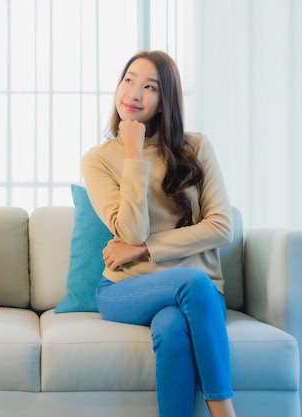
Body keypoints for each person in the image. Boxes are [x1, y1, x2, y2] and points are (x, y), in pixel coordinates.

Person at [81, 50, 237, 417]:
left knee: (171, 325)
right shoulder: (98, 159)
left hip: (200, 292)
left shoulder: (196, 147)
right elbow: (130, 230)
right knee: (192, 283)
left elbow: (221, 226)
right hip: (125, 290)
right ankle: (225, 413)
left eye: (149, 87)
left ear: (165, 101)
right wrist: (133, 152)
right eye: (129, 80)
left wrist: (146, 249)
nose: (134, 94)